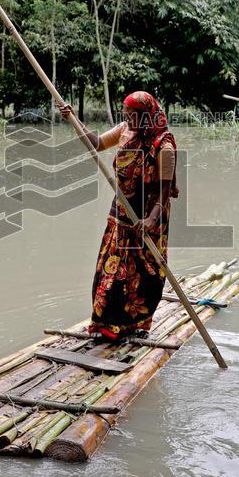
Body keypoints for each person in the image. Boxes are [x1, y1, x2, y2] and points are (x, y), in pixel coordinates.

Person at [58, 91, 178, 340]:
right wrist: (74, 120)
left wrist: (150, 220)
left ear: (146, 116)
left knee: (145, 272)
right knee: (111, 268)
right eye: (126, 115)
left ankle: (136, 324)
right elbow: (97, 143)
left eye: (133, 116)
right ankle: (106, 325)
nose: (129, 120)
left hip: (149, 216)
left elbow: (164, 191)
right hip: (122, 212)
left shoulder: (163, 145)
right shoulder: (124, 130)